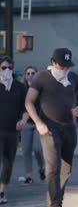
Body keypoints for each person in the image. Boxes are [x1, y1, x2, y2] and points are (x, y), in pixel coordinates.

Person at [25, 48, 78, 207]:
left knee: (66, 169)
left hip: (69, 128)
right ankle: (56, 203)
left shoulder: (74, 77)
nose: (65, 69)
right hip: (48, 128)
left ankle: (55, 199)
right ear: (53, 62)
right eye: (62, 66)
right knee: (53, 167)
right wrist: (39, 123)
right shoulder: (41, 77)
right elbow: (29, 102)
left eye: (67, 66)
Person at [0, 56, 28, 204]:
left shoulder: (20, 87)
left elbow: (25, 108)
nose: (7, 71)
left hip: (12, 131)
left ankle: (2, 191)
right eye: (4, 68)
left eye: (9, 68)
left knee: (8, 162)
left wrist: (23, 120)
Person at [21, 66, 46, 184]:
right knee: (26, 150)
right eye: (28, 73)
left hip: (38, 123)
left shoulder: (41, 89)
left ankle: (42, 168)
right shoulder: (22, 89)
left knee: (37, 149)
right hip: (26, 123)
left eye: (33, 73)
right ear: (25, 76)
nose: (30, 75)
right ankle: (29, 176)